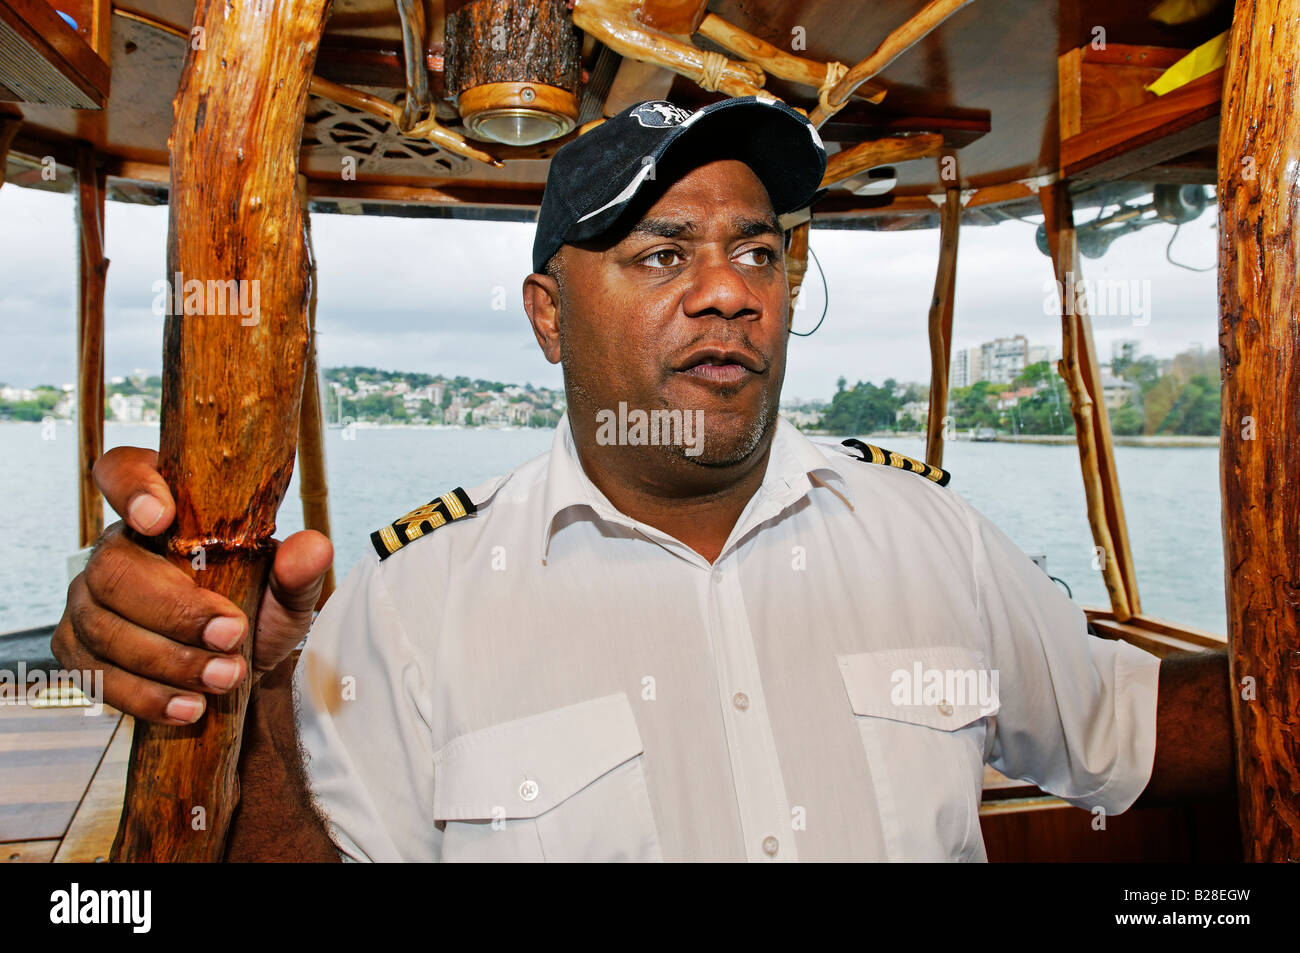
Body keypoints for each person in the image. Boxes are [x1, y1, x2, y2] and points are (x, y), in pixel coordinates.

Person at [53, 97, 1234, 862]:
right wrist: (244, 703)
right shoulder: (409, 604)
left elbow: (1136, 728)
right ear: (548, 317)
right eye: (661, 252)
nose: (728, 289)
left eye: (758, 250)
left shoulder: (933, 538)